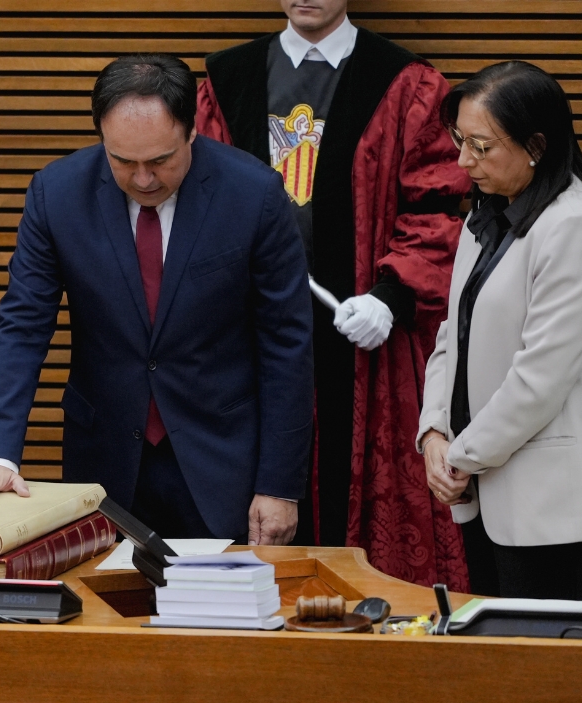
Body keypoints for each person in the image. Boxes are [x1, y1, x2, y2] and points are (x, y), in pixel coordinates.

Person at [0, 55, 314, 545]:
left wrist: (279, 485)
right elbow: (22, 327)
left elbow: (286, 344)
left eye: (160, 161)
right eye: (122, 161)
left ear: (192, 131)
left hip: (222, 462)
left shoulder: (254, 193)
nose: (143, 179)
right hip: (104, 463)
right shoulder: (57, 194)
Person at [195, 0, 470, 588]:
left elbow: (438, 210)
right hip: (246, 344)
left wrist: (391, 296)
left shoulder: (405, 84)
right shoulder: (225, 82)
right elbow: (200, 204)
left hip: (363, 344)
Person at [418, 61, 582, 600]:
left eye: (481, 146)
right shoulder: (486, 214)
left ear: (536, 145)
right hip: (483, 491)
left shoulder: (574, 224)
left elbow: (540, 380)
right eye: (460, 140)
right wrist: (433, 433)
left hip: (555, 508)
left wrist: (459, 457)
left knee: (550, 653)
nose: (463, 160)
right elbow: (453, 334)